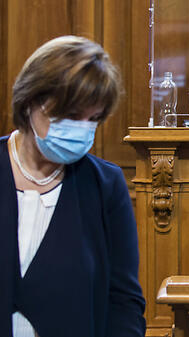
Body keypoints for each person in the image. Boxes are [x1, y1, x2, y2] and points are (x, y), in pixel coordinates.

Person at [0, 36, 146, 336]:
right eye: (70, 115)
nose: (81, 128)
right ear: (30, 102)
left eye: (92, 118)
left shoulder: (106, 185)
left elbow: (124, 303)